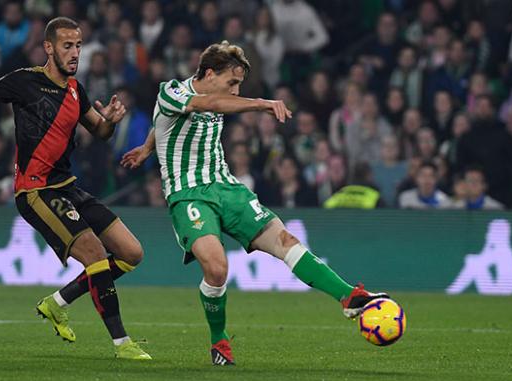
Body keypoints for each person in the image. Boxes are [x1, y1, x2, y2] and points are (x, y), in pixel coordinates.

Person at [121, 41, 387, 366]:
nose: (236, 90)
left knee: (285, 240)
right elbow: (197, 104)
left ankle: (348, 296)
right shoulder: (172, 91)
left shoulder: (209, 100)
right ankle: (219, 340)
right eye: (232, 82)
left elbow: (166, 121)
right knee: (217, 269)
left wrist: (148, 147)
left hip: (227, 188)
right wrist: (261, 103)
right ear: (208, 73)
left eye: (240, 84)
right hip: (189, 194)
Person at [0, 17, 151, 361]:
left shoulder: (77, 91)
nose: (75, 52)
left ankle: (57, 302)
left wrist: (109, 120)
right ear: (48, 47)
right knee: (94, 254)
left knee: (132, 253)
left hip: (68, 187)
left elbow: (101, 132)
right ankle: (123, 344)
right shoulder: (24, 81)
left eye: (78, 45)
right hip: (36, 191)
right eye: (67, 46)